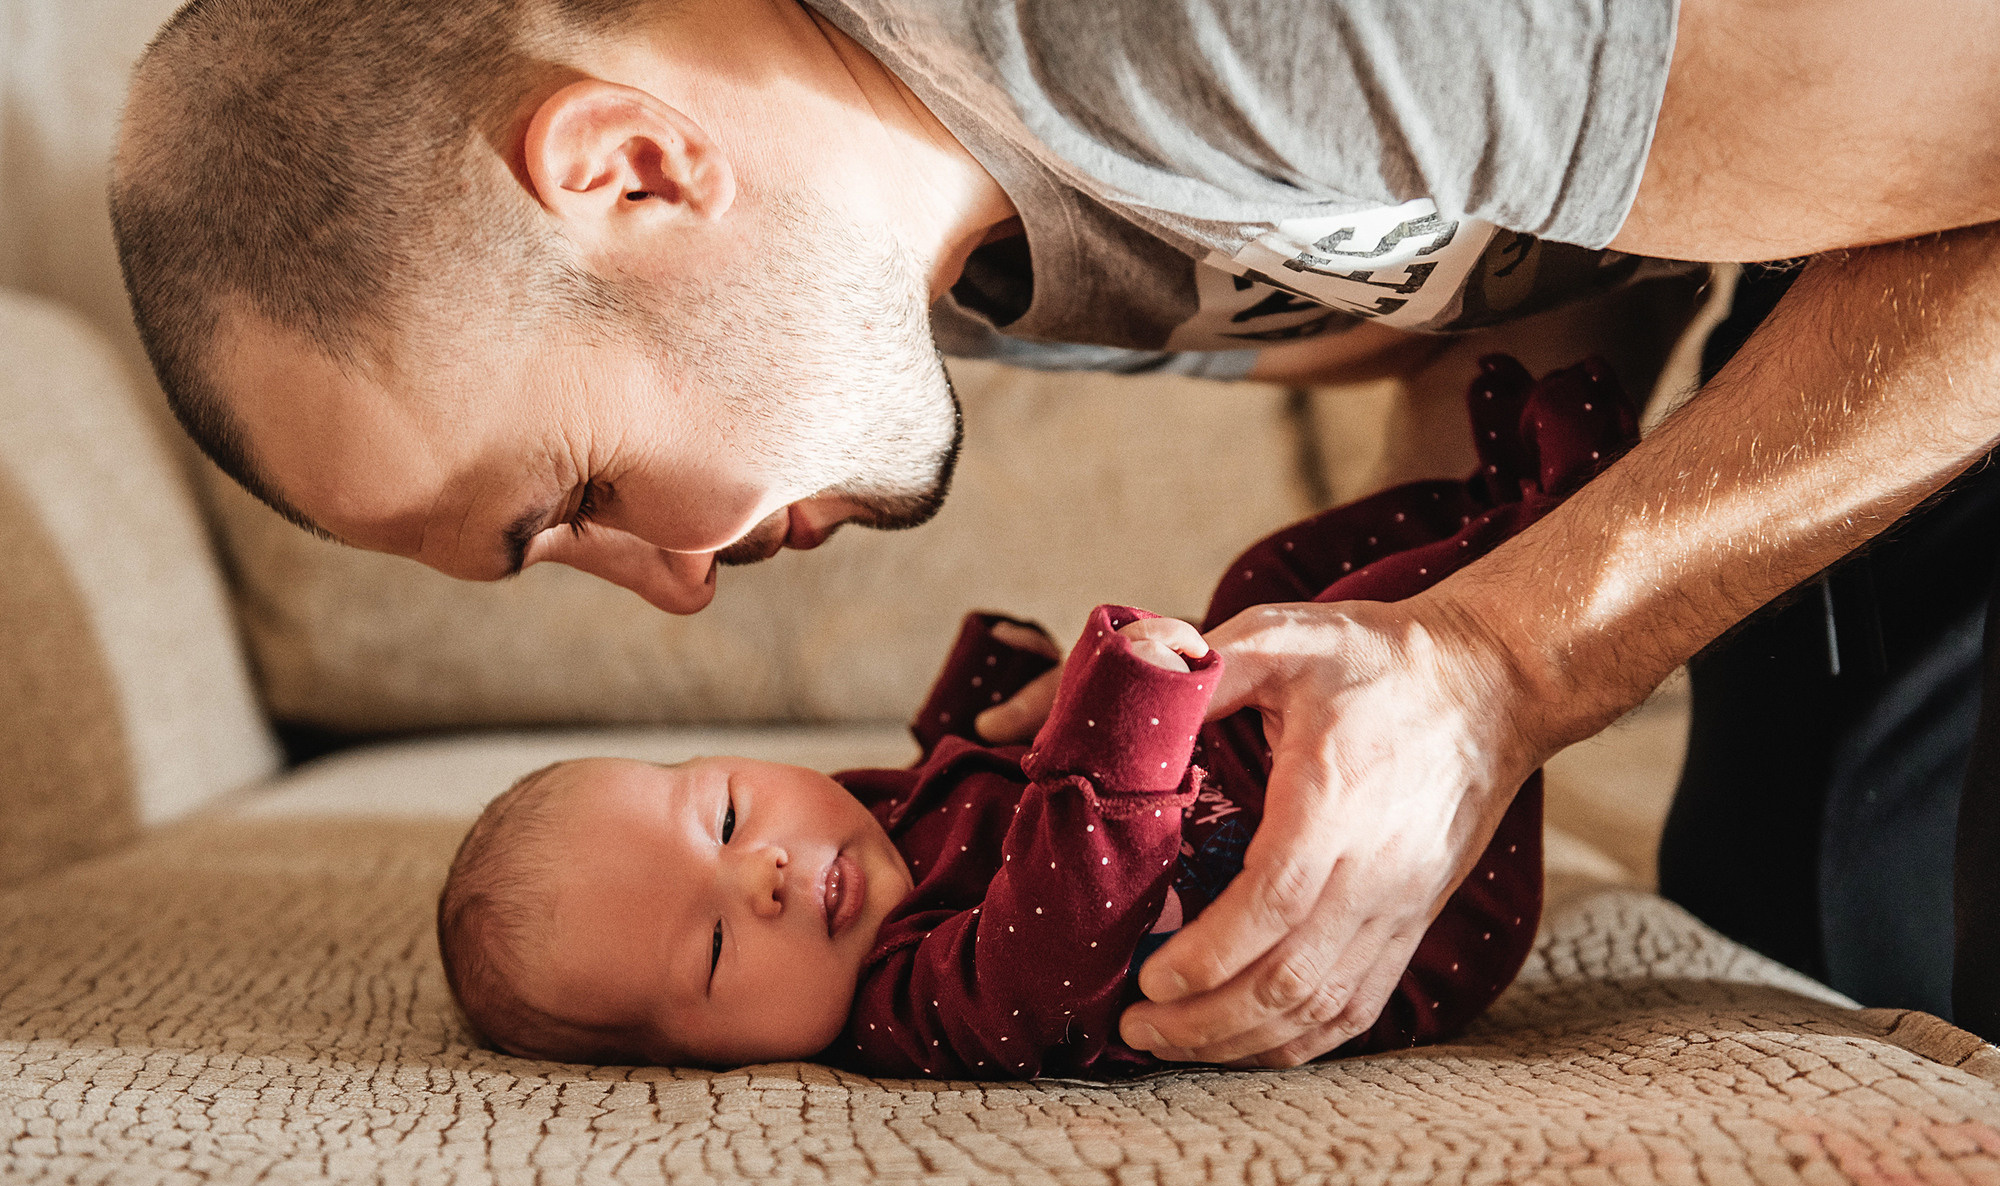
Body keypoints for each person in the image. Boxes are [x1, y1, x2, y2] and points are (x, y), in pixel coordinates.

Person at [109, 0, 2000, 1066]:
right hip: (1837, 269)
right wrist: (1409, 646)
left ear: (632, 170)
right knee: (1796, 911)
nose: (677, 586)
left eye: (580, 496)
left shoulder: (1191, 33)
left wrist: (1513, 660)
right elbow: (1536, 275)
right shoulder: (952, 266)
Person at [435, 355, 1627, 1075]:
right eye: (709, 952)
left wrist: (979, 695)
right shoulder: (912, 1010)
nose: (762, 878)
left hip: (1277, 789)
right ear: (699, 1061)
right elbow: (1051, 940)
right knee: (1313, 624)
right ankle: (1562, 516)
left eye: (728, 815)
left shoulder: (863, 830)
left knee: (1268, 590)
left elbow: (958, 779)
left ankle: (1493, 509)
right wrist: (1115, 723)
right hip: (1389, 907)